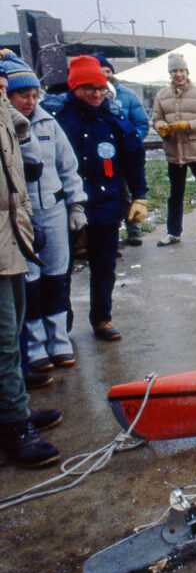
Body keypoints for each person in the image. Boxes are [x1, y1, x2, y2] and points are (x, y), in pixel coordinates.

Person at [1, 53, 87, 375]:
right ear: (7, 96)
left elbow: (68, 167)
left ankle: (59, 339)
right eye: (24, 95)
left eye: (35, 95)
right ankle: (35, 345)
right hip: (21, 215)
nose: (31, 101)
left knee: (56, 276)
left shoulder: (49, 122)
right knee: (31, 283)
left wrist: (76, 205)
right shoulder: (5, 126)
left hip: (52, 208)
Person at [53, 55, 148, 342]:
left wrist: (140, 195)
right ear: (74, 88)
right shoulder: (57, 118)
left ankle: (102, 318)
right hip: (67, 206)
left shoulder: (114, 119)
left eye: (100, 88)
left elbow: (134, 158)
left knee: (104, 263)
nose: (96, 94)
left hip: (105, 203)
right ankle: (62, 324)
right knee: (62, 266)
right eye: (88, 89)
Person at [0, 56, 63, 468]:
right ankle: (13, 426)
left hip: (10, 235)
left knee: (15, 325)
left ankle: (15, 409)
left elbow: (19, 138)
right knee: (4, 339)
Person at [151, 52, 196, 247]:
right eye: (174, 71)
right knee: (175, 195)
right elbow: (156, 118)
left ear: (187, 72)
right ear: (170, 73)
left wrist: (188, 125)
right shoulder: (162, 95)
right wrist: (160, 127)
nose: (178, 75)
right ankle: (173, 232)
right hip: (175, 153)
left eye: (181, 70)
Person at [96, 54, 149, 247]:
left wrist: (131, 142)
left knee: (130, 191)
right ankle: (111, 233)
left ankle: (134, 230)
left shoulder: (127, 95)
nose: (105, 75)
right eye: (101, 72)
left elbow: (142, 123)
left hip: (124, 155)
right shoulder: (93, 98)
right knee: (110, 193)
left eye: (108, 71)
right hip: (105, 158)